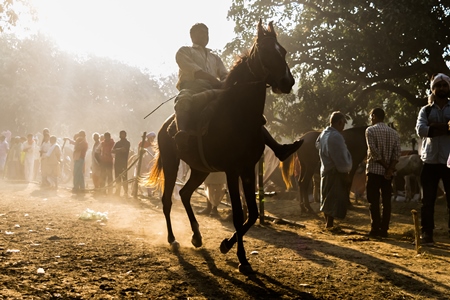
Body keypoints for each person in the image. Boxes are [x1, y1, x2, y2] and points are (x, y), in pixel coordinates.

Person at [173, 23, 302, 160]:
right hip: (192, 88)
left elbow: (224, 74)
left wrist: (227, 82)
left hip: (215, 89)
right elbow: (194, 70)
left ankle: (277, 148)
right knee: (183, 99)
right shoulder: (184, 51)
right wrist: (215, 81)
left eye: (207, 33)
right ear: (192, 36)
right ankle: (182, 134)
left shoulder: (214, 57)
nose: (205, 36)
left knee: (245, 112)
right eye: (201, 33)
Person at [416, 73, 450, 245]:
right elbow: (421, 130)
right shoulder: (426, 110)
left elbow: (427, 129)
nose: (441, 88)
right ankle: (427, 234)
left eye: (444, 85)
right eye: (438, 86)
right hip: (429, 160)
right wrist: (445, 127)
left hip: (449, 161)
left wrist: (433, 127)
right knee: (427, 201)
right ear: (433, 89)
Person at [365, 108, 401, 238]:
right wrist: (390, 169)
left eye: (371, 116)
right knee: (386, 201)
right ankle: (384, 229)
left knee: (373, 201)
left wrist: (385, 166)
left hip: (374, 170)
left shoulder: (370, 130)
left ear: (374, 116)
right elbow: (397, 154)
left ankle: (375, 228)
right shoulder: (394, 133)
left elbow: (374, 152)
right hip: (388, 174)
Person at [316, 111, 353, 229]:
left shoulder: (323, 133)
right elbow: (340, 157)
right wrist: (345, 171)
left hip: (325, 168)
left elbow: (317, 145)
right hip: (334, 171)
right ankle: (329, 224)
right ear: (340, 122)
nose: (344, 126)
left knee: (326, 197)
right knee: (333, 198)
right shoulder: (336, 136)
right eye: (343, 123)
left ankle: (328, 223)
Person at [112, 130, 130, 197]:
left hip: (123, 163)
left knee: (124, 178)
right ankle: (117, 191)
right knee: (117, 178)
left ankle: (125, 192)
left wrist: (117, 150)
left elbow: (124, 150)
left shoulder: (127, 143)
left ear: (125, 135)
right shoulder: (117, 143)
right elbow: (112, 151)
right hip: (117, 163)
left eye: (123, 134)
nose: (121, 135)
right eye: (120, 134)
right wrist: (119, 149)